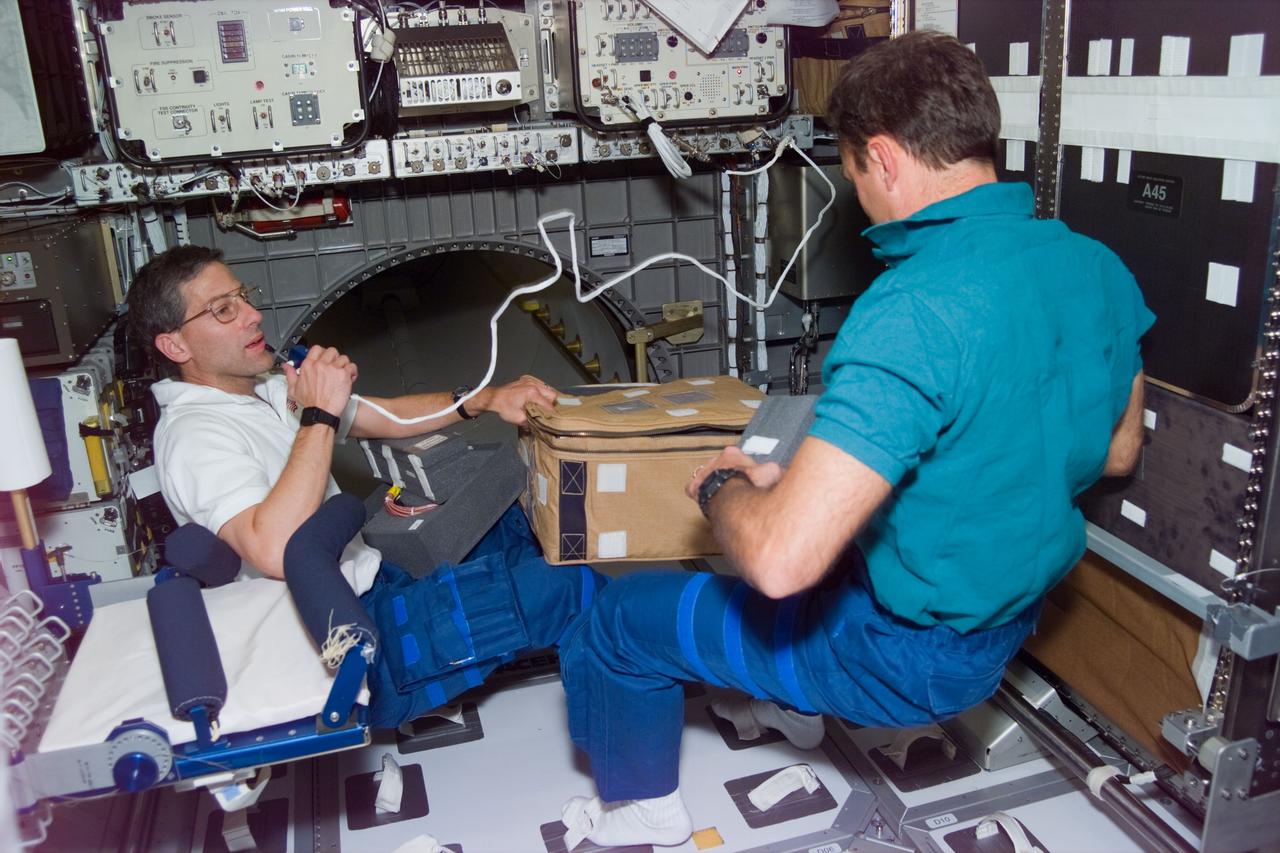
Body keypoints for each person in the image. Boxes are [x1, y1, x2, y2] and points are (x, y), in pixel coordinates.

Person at [556, 30, 1154, 849]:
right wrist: (803, 486)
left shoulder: (912, 309)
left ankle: (639, 810)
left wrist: (723, 489)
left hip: (897, 660)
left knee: (621, 621)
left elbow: (778, 562)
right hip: (1010, 624)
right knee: (809, 534)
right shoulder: (1098, 267)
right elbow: (1116, 453)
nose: (859, 197)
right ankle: (788, 700)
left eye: (852, 174)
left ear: (882, 157)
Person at [127, 245, 607, 725]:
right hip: (347, 639)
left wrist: (485, 399)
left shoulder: (266, 391)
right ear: (176, 346)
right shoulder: (193, 438)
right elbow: (274, 550)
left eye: (243, 297)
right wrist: (319, 413)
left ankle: (589, 656)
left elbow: (387, 416)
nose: (252, 315)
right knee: (570, 587)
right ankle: (621, 722)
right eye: (223, 310)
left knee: (516, 522)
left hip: (375, 576)